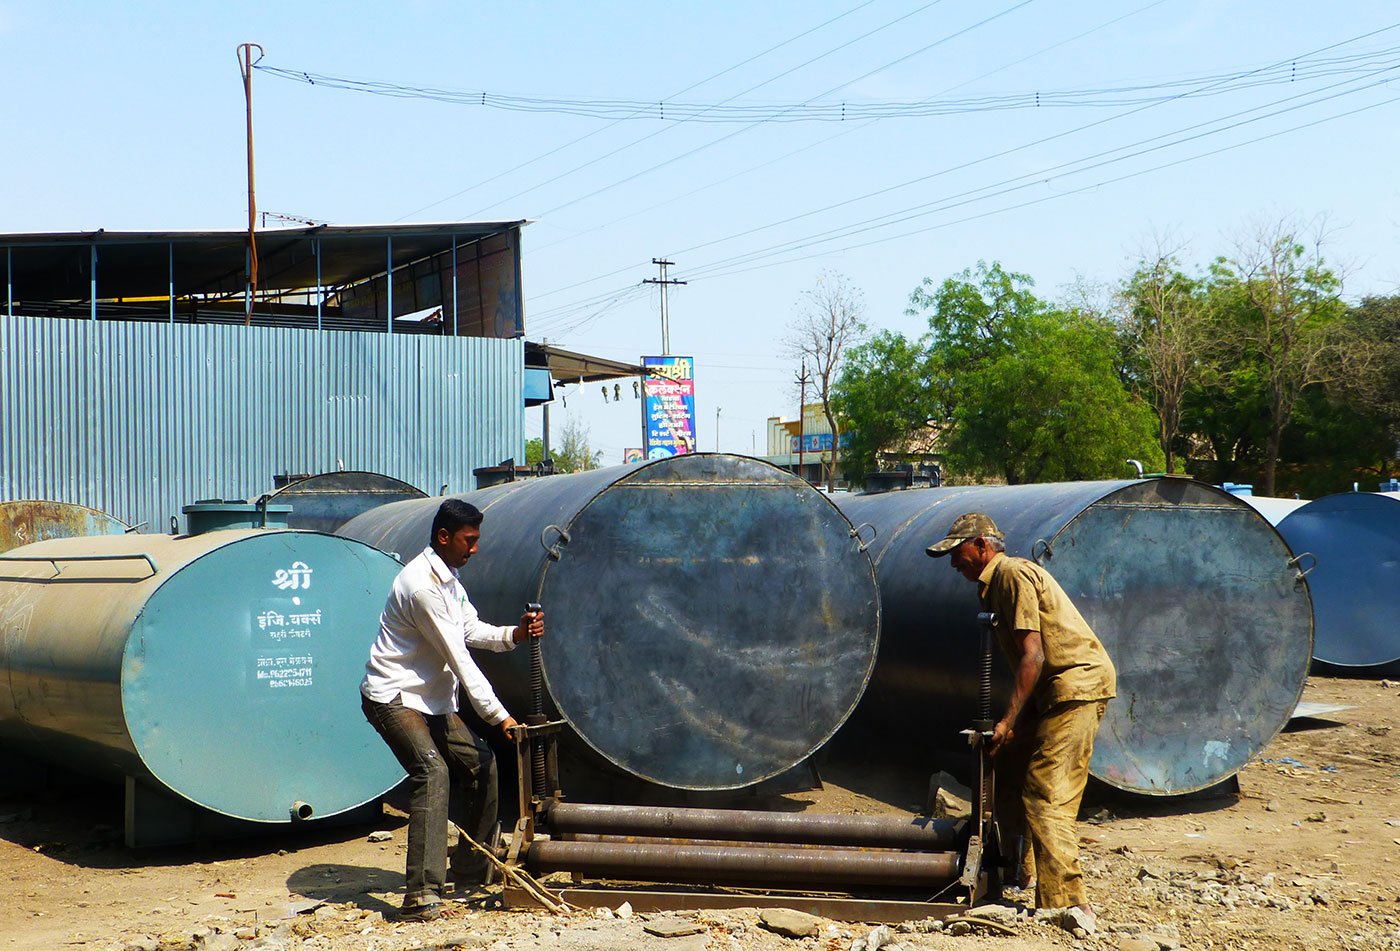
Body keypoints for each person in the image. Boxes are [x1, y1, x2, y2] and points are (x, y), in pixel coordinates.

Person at [360, 499, 544, 921]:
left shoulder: (449, 580)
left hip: (432, 700)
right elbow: (460, 658)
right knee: (433, 772)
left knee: (481, 764)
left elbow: (470, 628)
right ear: (444, 537)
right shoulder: (421, 585)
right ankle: (420, 896)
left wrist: (513, 634)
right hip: (394, 697)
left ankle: (470, 870)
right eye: (469, 540)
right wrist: (501, 717)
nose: (475, 549)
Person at [926, 512, 1115, 919]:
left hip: (1074, 686)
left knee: (1046, 793)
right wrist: (1014, 730)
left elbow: (1034, 654)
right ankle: (1016, 870)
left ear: (981, 545)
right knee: (1008, 767)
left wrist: (1009, 720)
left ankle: (1067, 903)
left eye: (957, 552)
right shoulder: (991, 587)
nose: (953, 563)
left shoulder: (1010, 574)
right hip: (1052, 691)